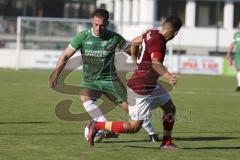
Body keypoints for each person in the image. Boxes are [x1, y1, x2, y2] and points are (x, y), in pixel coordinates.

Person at [48, 9, 159, 142]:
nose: (98, 28)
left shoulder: (114, 37)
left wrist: (146, 58)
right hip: (90, 81)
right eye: (95, 24)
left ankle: (152, 134)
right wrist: (55, 74)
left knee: (132, 110)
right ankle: (101, 125)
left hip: (110, 81)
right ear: (92, 22)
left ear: (107, 23)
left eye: (102, 25)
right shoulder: (82, 37)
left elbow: (132, 50)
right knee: (84, 96)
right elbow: (66, 55)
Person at [85, 15, 182, 149]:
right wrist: (168, 76)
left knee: (170, 108)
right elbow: (155, 63)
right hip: (141, 88)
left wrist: (135, 59)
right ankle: (97, 125)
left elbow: (135, 42)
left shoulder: (151, 34)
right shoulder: (158, 43)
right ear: (175, 33)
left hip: (151, 84)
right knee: (134, 127)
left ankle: (166, 142)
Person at [227, 21, 240, 92]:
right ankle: (239, 85)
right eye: (239, 25)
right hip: (238, 54)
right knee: (238, 69)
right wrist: (229, 53)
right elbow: (232, 44)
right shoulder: (236, 34)